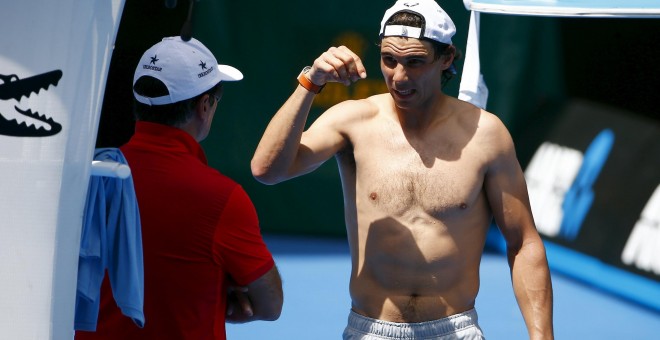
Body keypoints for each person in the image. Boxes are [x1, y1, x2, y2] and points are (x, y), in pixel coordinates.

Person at [251, 0, 553, 339]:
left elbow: (523, 242)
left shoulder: (486, 134)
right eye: (389, 60)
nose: (399, 76)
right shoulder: (353, 120)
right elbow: (267, 169)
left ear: (447, 58)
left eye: (415, 62)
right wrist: (310, 83)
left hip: (456, 329)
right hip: (370, 329)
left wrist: (542, 336)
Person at [76, 36, 283, 340]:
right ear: (204, 106)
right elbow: (270, 305)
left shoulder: (88, 177)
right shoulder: (222, 197)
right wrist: (220, 294)